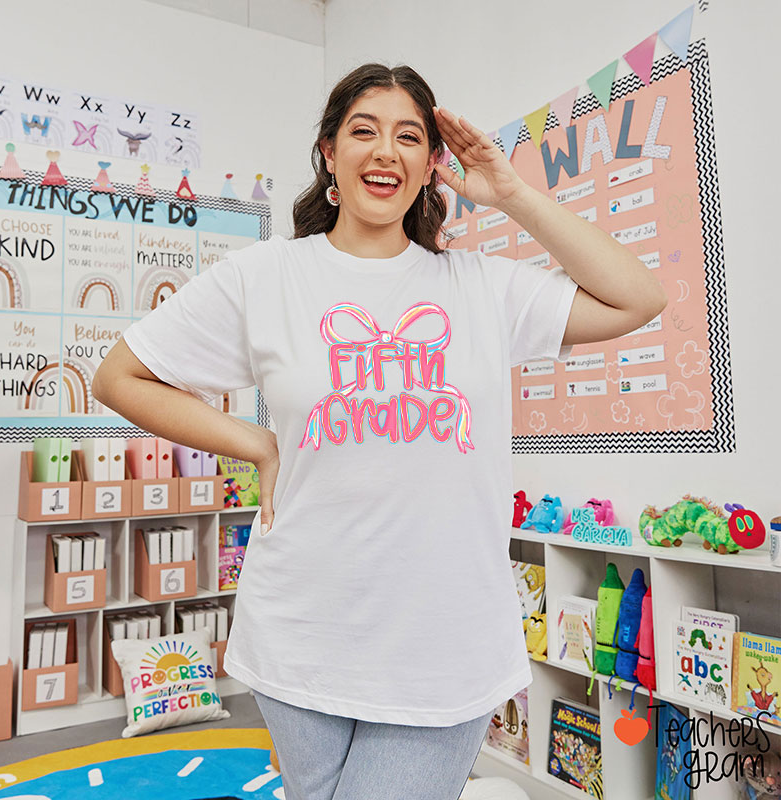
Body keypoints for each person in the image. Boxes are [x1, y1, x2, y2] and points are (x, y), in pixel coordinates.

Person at [92, 63, 666, 800]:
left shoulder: (482, 287)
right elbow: (120, 378)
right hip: (299, 629)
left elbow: (638, 297)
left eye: (409, 136)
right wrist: (257, 443)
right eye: (363, 131)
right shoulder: (264, 277)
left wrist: (515, 194)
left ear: (433, 164)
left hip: (442, 641)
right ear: (329, 152)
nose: (385, 151)